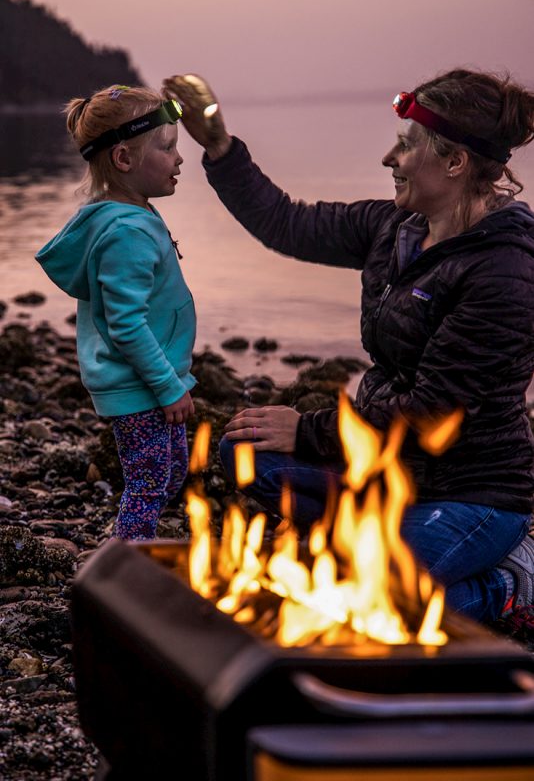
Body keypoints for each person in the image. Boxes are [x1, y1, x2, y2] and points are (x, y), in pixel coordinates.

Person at [163, 69, 534, 623]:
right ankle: (361, 544)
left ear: (455, 163)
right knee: (245, 456)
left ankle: (511, 582)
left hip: (471, 491)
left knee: (366, 598)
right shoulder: (394, 227)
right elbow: (287, 224)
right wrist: (219, 147)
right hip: (386, 471)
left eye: (406, 147)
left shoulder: (504, 269)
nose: (390, 158)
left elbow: (433, 412)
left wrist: (308, 429)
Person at [36, 84, 196, 540]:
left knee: (170, 473)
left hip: (156, 379)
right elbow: (126, 324)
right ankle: (124, 566)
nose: (179, 160)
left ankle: (137, 545)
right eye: (167, 149)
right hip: (141, 386)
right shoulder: (126, 232)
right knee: (147, 487)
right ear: (124, 159)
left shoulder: (129, 214)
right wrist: (167, 388)